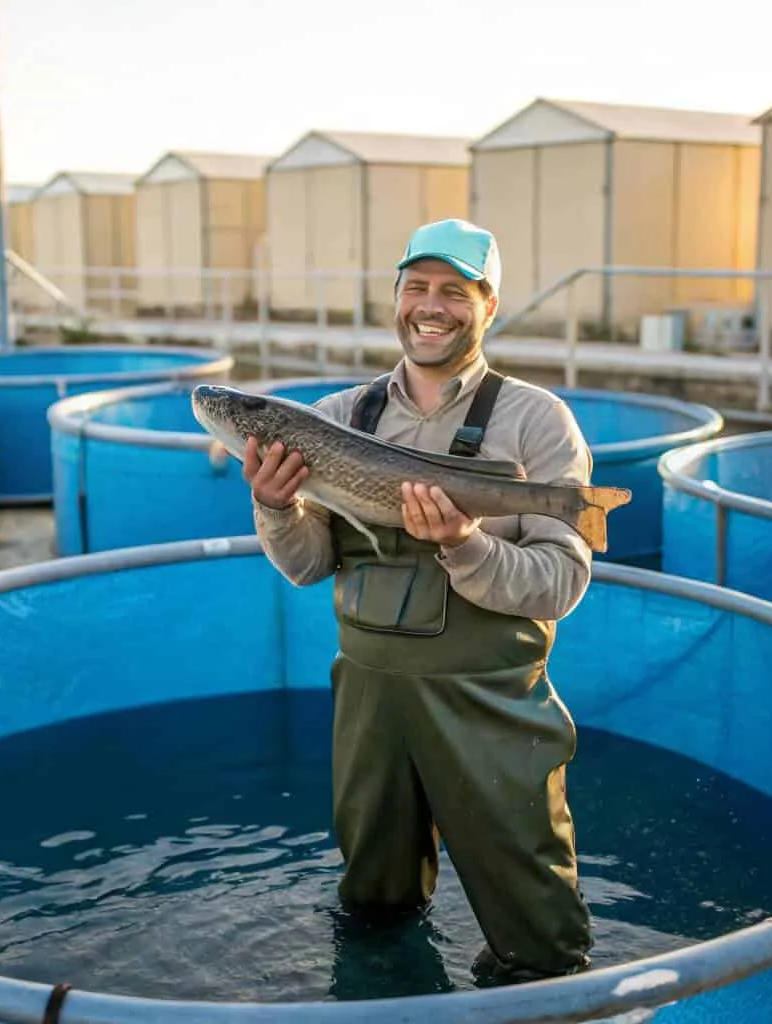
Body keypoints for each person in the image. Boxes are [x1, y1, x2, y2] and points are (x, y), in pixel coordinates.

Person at [243, 218, 595, 986]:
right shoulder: (338, 418)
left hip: (493, 702)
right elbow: (308, 568)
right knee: (374, 906)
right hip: (369, 702)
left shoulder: (536, 420)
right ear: (397, 297)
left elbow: (562, 583)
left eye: (454, 291)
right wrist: (276, 510)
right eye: (417, 287)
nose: (431, 306)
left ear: (488, 305)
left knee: (540, 935)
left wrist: (466, 545)